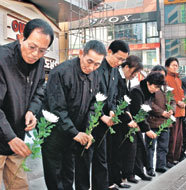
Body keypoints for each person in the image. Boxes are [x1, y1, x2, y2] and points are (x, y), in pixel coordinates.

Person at [0, 19, 54, 189]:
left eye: (42, 51)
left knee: (20, 185)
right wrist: (9, 137)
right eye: (32, 47)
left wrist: (32, 111)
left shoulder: (39, 62)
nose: (35, 54)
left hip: (17, 134)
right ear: (20, 38)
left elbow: (40, 89)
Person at [41, 40, 106, 190]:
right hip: (55, 133)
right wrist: (74, 132)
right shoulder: (61, 72)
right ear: (81, 53)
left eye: (97, 64)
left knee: (68, 174)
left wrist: (88, 130)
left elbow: (93, 105)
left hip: (74, 134)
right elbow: (57, 108)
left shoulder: (96, 75)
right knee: (55, 178)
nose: (91, 67)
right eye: (89, 61)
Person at [90, 40, 129, 190]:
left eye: (123, 60)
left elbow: (113, 95)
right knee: (87, 158)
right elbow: (90, 96)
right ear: (109, 51)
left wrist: (112, 110)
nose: (119, 63)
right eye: (118, 58)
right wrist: (101, 115)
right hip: (92, 119)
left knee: (102, 156)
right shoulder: (96, 67)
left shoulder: (114, 71)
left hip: (106, 121)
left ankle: (101, 186)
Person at [108, 55, 144, 189]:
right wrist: (127, 117)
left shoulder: (125, 80)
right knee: (112, 153)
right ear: (126, 67)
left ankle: (117, 179)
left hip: (121, 120)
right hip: (114, 119)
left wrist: (128, 115)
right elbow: (116, 100)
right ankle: (112, 181)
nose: (134, 75)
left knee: (119, 152)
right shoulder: (116, 77)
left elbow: (125, 101)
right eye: (133, 72)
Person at [129, 72, 164, 183]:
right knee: (132, 151)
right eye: (155, 86)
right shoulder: (137, 91)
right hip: (130, 124)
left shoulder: (150, 92)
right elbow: (137, 111)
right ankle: (130, 175)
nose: (157, 89)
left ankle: (139, 172)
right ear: (148, 83)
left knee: (140, 149)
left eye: (159, 87)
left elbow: (145, 112)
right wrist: (147, 129)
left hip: (139, 125)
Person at [145, 66, 175, 176]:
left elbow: (173, 101)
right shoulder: (150, 87)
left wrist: (171, 110)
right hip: (153, 121)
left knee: (163, 146)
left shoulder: (167, 88)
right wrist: (162, 112)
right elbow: (149, 103)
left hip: (166, 122)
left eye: (163, 75)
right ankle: (149, 168)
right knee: (150, 146)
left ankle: (161, 165)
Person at [164, 57, 186, 167]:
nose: (175, 67)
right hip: (173, 112)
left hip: (181, 111)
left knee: (179, 137)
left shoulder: (178, 79)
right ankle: (169, 159)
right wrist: (178, 102)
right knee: (172, 137)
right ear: (167, 66)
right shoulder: (166, 79)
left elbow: (181, 94)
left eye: (177, 65)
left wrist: (184, 101)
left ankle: (176, 158)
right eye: (173, 65)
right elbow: (168, 96)